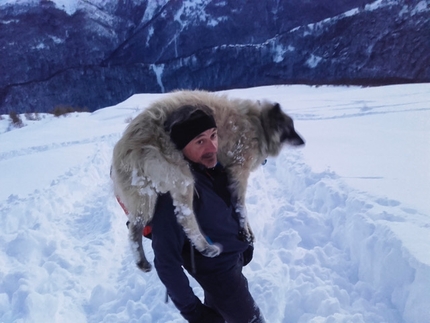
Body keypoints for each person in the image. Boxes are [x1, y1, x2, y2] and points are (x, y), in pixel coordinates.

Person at [150, 105, 265, 323]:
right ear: (180, 146)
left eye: (213, 135)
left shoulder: (210, 169)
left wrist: (242, 244)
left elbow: (224, 213)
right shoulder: (175, 192)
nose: (211, 146)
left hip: (228, 265)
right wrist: (193, 311)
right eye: (200, 141)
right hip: (219, 277)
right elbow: (166, 261)